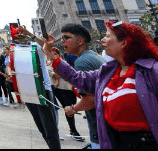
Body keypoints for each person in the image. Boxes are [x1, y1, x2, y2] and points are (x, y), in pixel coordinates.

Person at [40, 21, 158, 149]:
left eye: (108, 36)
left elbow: (90, 99)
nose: (102, 40)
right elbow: (76, 77)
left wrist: (73, 109)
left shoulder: (151, 71)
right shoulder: (108, 71)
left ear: (123, 42)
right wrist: (49, 53)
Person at [58, 23, 105, 148]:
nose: (62, 41)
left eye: (66, 38)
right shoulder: (92, 56)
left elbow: (90, 100)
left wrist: (73, 109)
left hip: (100, 130)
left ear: (80, 41)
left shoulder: (82, 62)